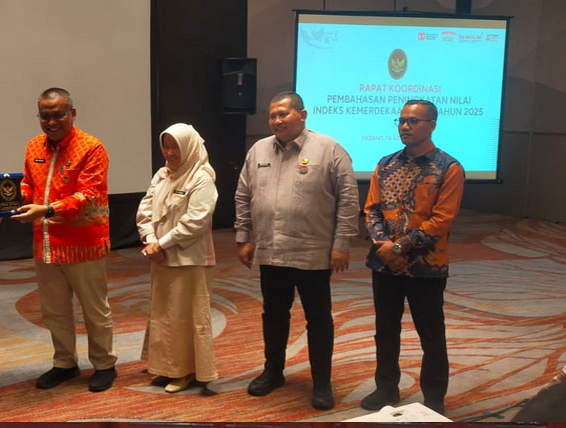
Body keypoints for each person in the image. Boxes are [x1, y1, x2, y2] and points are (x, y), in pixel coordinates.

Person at [234, 91, 360, 410]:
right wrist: (243, 237)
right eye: (272, 116)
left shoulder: (329, 149)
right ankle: (273, 372)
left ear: (302, 115)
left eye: (284, 114)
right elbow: (243, 195)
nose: (277, 121)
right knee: (274, 315)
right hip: (271, 251)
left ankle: (322, 382)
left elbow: (348, 200)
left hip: (313, 253)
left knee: (318, 320)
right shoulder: (258, 150)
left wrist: (342, 244)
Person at [361, 100, 465, 416]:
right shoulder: (385, 164)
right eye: (402, 120)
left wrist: (397, 248)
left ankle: (433, 396)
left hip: (426, 266)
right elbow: (372, 210)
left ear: (432, 125)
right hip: (383, 264)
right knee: (385, 329)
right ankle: (386, 387)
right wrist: (383, 245)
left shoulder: (449, 168)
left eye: (413, 121)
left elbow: (441, 220)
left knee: (430, 333)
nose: (405, 126)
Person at [12, 88, 117, 392]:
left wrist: (45, 210)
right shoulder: (34, 145)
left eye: (58, 115)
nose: (51, 121)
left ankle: (105, 365)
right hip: (46, 244)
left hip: (84, 244)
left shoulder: (91, 148)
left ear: (72, 113)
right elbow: (28, 184)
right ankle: (65, 363)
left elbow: (87, 196)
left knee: (94, 309)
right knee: (54, 310)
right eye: (45, 116)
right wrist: (12, 199)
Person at [136, 123, 218, 393]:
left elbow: (195, 222)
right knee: (163, 314)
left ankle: (185, 372)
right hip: (161, 257)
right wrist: (151, 240)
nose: (169, 153)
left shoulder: (202, 178)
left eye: (176, 148)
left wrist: (161, 244)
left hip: (190, 260)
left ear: (189, 148)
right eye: (166, 146)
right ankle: (165, 367)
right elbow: (145, 210)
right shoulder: (162, 174)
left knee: (186, 318)